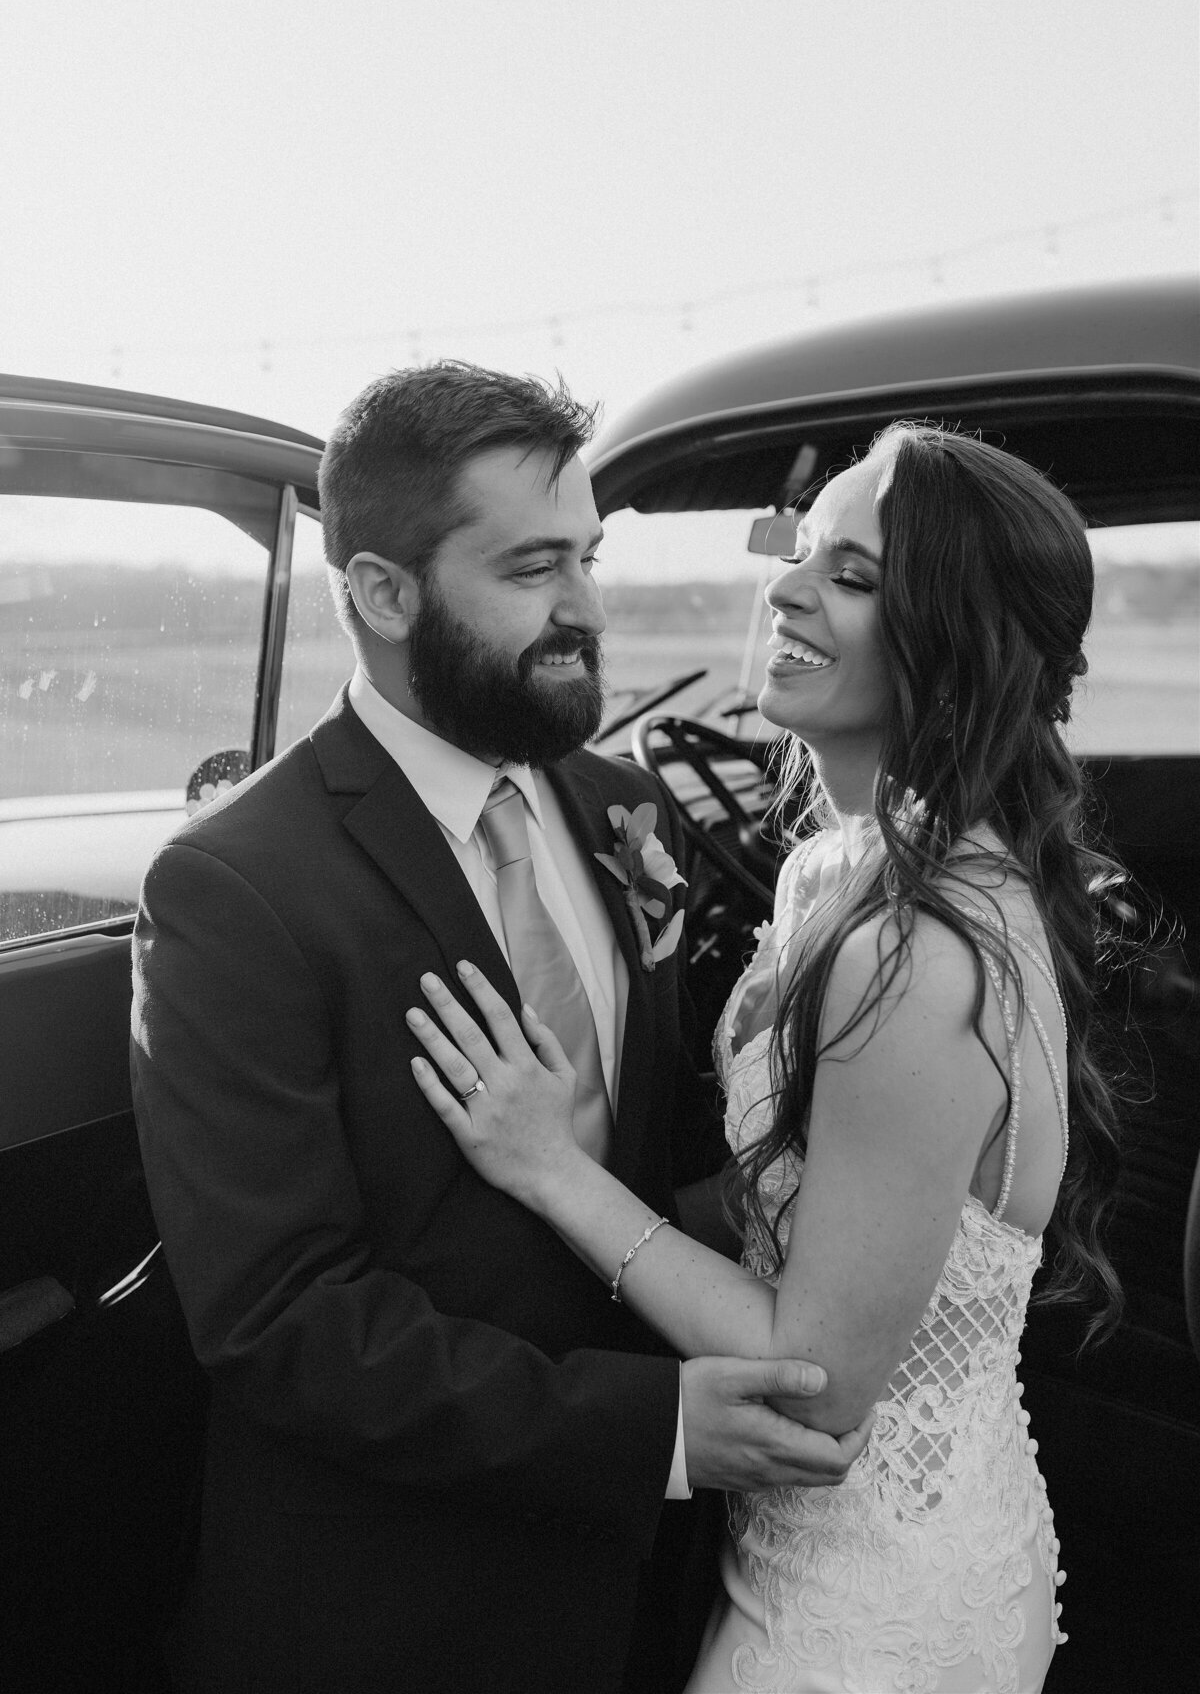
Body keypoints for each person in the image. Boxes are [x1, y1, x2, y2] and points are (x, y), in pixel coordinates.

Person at [130, 362, 872, 1694]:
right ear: (382, 593)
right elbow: (281, 1317)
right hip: (395, 1610)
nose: (585, 610)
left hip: (649, 1583)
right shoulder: (236, 889)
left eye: (587, 557)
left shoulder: (623, 805)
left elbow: (661, 1152)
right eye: (533, 570)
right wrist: (657, 1429)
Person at [409, 422, 1125, 1694]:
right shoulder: (831, 871)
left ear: (952, 642)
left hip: (867, 1614)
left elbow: (817, 1390)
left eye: (852, 576)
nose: (787, 588)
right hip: (814, 1544)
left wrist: (551, 1171)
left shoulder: (912, 954)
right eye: (802, 552)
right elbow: (796, 1193)